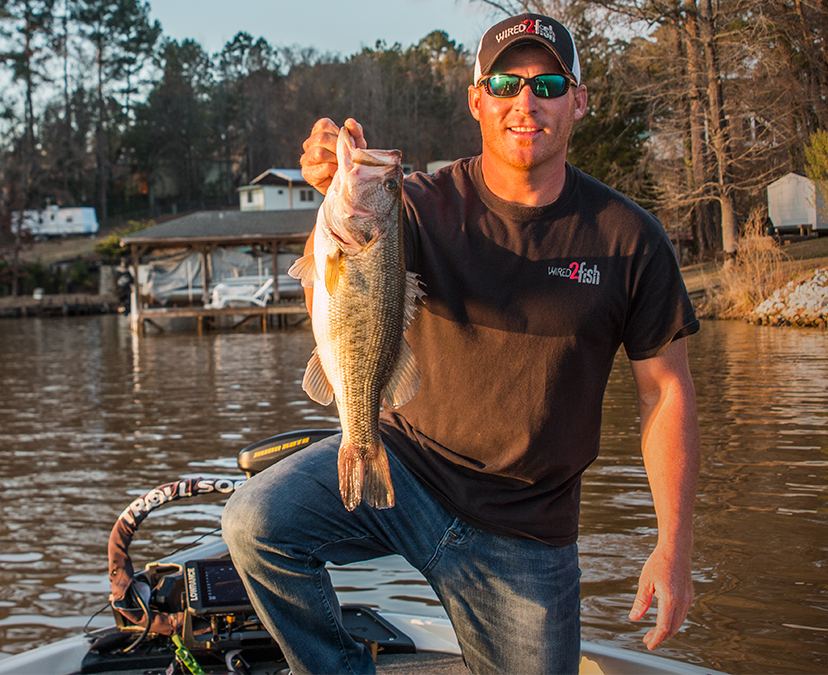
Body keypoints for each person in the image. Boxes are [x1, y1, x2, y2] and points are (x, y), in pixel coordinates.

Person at [221, 12, 701, 675]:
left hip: (526, 530)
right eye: (504, 83)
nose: (524, 103)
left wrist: (672, 546)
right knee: (255, 523)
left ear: (579, 100)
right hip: (405, 469)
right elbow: (337, 293)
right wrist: (332, 190)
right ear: (477, 99)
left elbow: (667, 391)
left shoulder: (630, 238)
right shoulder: (413, 204)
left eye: (548, 83)